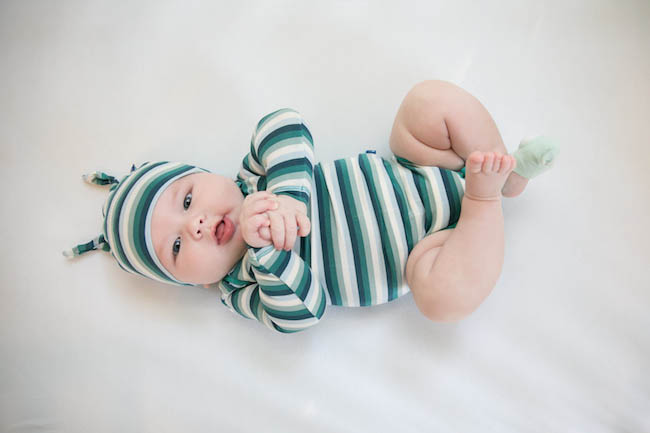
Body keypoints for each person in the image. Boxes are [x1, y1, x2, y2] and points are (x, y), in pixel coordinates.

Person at [64, 80, 558, 333]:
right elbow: (305, 313)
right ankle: (486, 199)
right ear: (185, 283)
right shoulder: (240, 288)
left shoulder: (256, 178)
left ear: (203, 173)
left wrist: (284, 202)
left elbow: (286, 123)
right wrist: (269, 252)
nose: (194, 224)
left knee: (426, 103)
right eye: (174, 246)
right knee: (439, 299)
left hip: (421, 166)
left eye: (188, 199)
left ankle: (507, 175)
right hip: (434, 250)